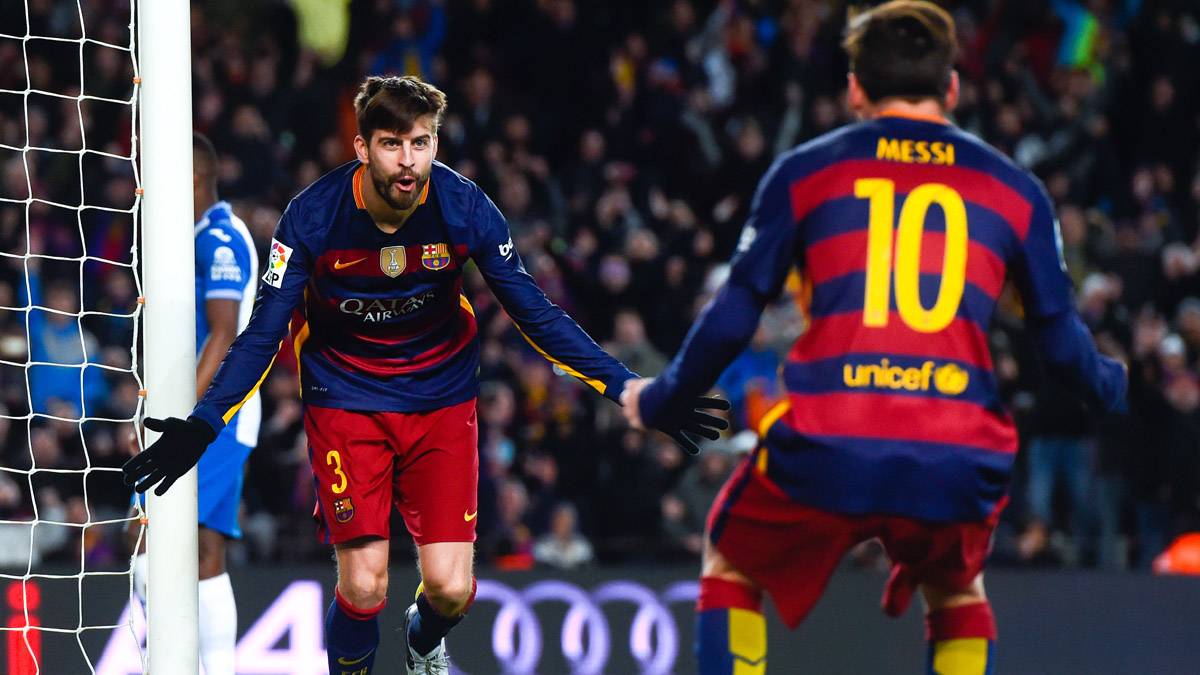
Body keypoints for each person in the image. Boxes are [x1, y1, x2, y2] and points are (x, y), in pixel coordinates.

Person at [122, 75, 726, 675]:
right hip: (345, 399)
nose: (408, 161)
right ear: (361, 149)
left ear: (436, 143)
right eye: (392, 144)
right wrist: (204, 425)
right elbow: (262, 333)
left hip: (441, 400)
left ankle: (422, 639)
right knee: (362, 584)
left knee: (450, 590)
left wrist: (627, 387)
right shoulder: (311, 219)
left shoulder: (464, 208)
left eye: (421, 143)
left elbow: (535, 314)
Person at [620, 2, 1127, 673]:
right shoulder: (1016, 190)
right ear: (951, 87)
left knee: (730, 559)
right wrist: (1120, 386)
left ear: (855, 87)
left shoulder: (803, 172)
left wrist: (662, 398)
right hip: (955, 443)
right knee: (957, 587)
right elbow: (1062, 350)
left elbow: (736, 312)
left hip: (833, 432)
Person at [128, 132, 259, 675]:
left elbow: (224, 334)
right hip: (215, 419)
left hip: (215, 420)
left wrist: (184, 418)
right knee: (203, 550)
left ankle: (170, 663)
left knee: (149, 540)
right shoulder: (196, 237)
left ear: (192, 180)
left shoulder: (220, 239)